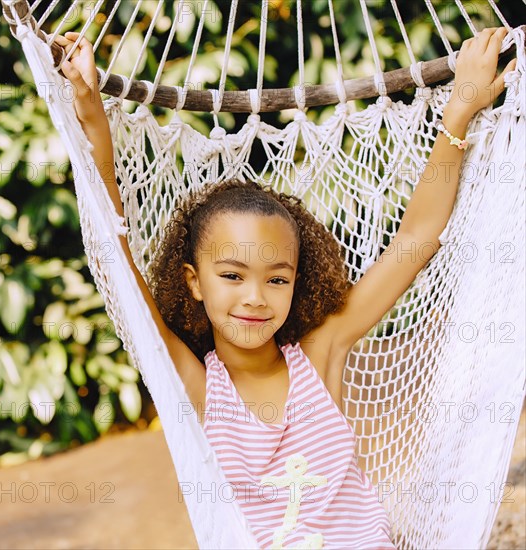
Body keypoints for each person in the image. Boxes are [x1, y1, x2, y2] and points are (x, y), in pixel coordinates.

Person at [56, 28, 516, 549]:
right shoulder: (196, 386)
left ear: (298, 283)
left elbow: (416, 238)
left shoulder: (321, 353)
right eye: (231, 276)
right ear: (194, 282)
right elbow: (114, 258)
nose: (255, 297)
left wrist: (458, 112)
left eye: (277, 279)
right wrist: (91, 114)